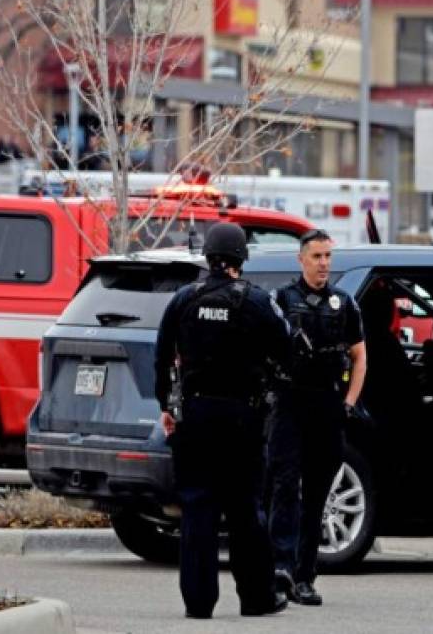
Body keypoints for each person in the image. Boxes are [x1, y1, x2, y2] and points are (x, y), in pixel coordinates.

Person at [154, 222, 290, 619]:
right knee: (246, 510)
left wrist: (167, 406)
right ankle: (257, 598)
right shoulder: (258, 303)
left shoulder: (183, 300)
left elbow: (161, 358)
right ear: (240, 260)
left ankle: (198, 603)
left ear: (209, 257)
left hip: (194, 419)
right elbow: (287, 352)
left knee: (198, 509)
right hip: (242, 421)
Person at [267, 228, 367, 607]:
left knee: (317, 497)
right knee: (284, 488)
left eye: (328, 256)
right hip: (290, 404)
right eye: (317, 256)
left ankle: (305, 576)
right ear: (301, 260)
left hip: (327, 407)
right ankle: (281, 569)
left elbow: (359, 356)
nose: (324, 263)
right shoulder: (281, 300)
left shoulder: (344, 303)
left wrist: (348, 403)